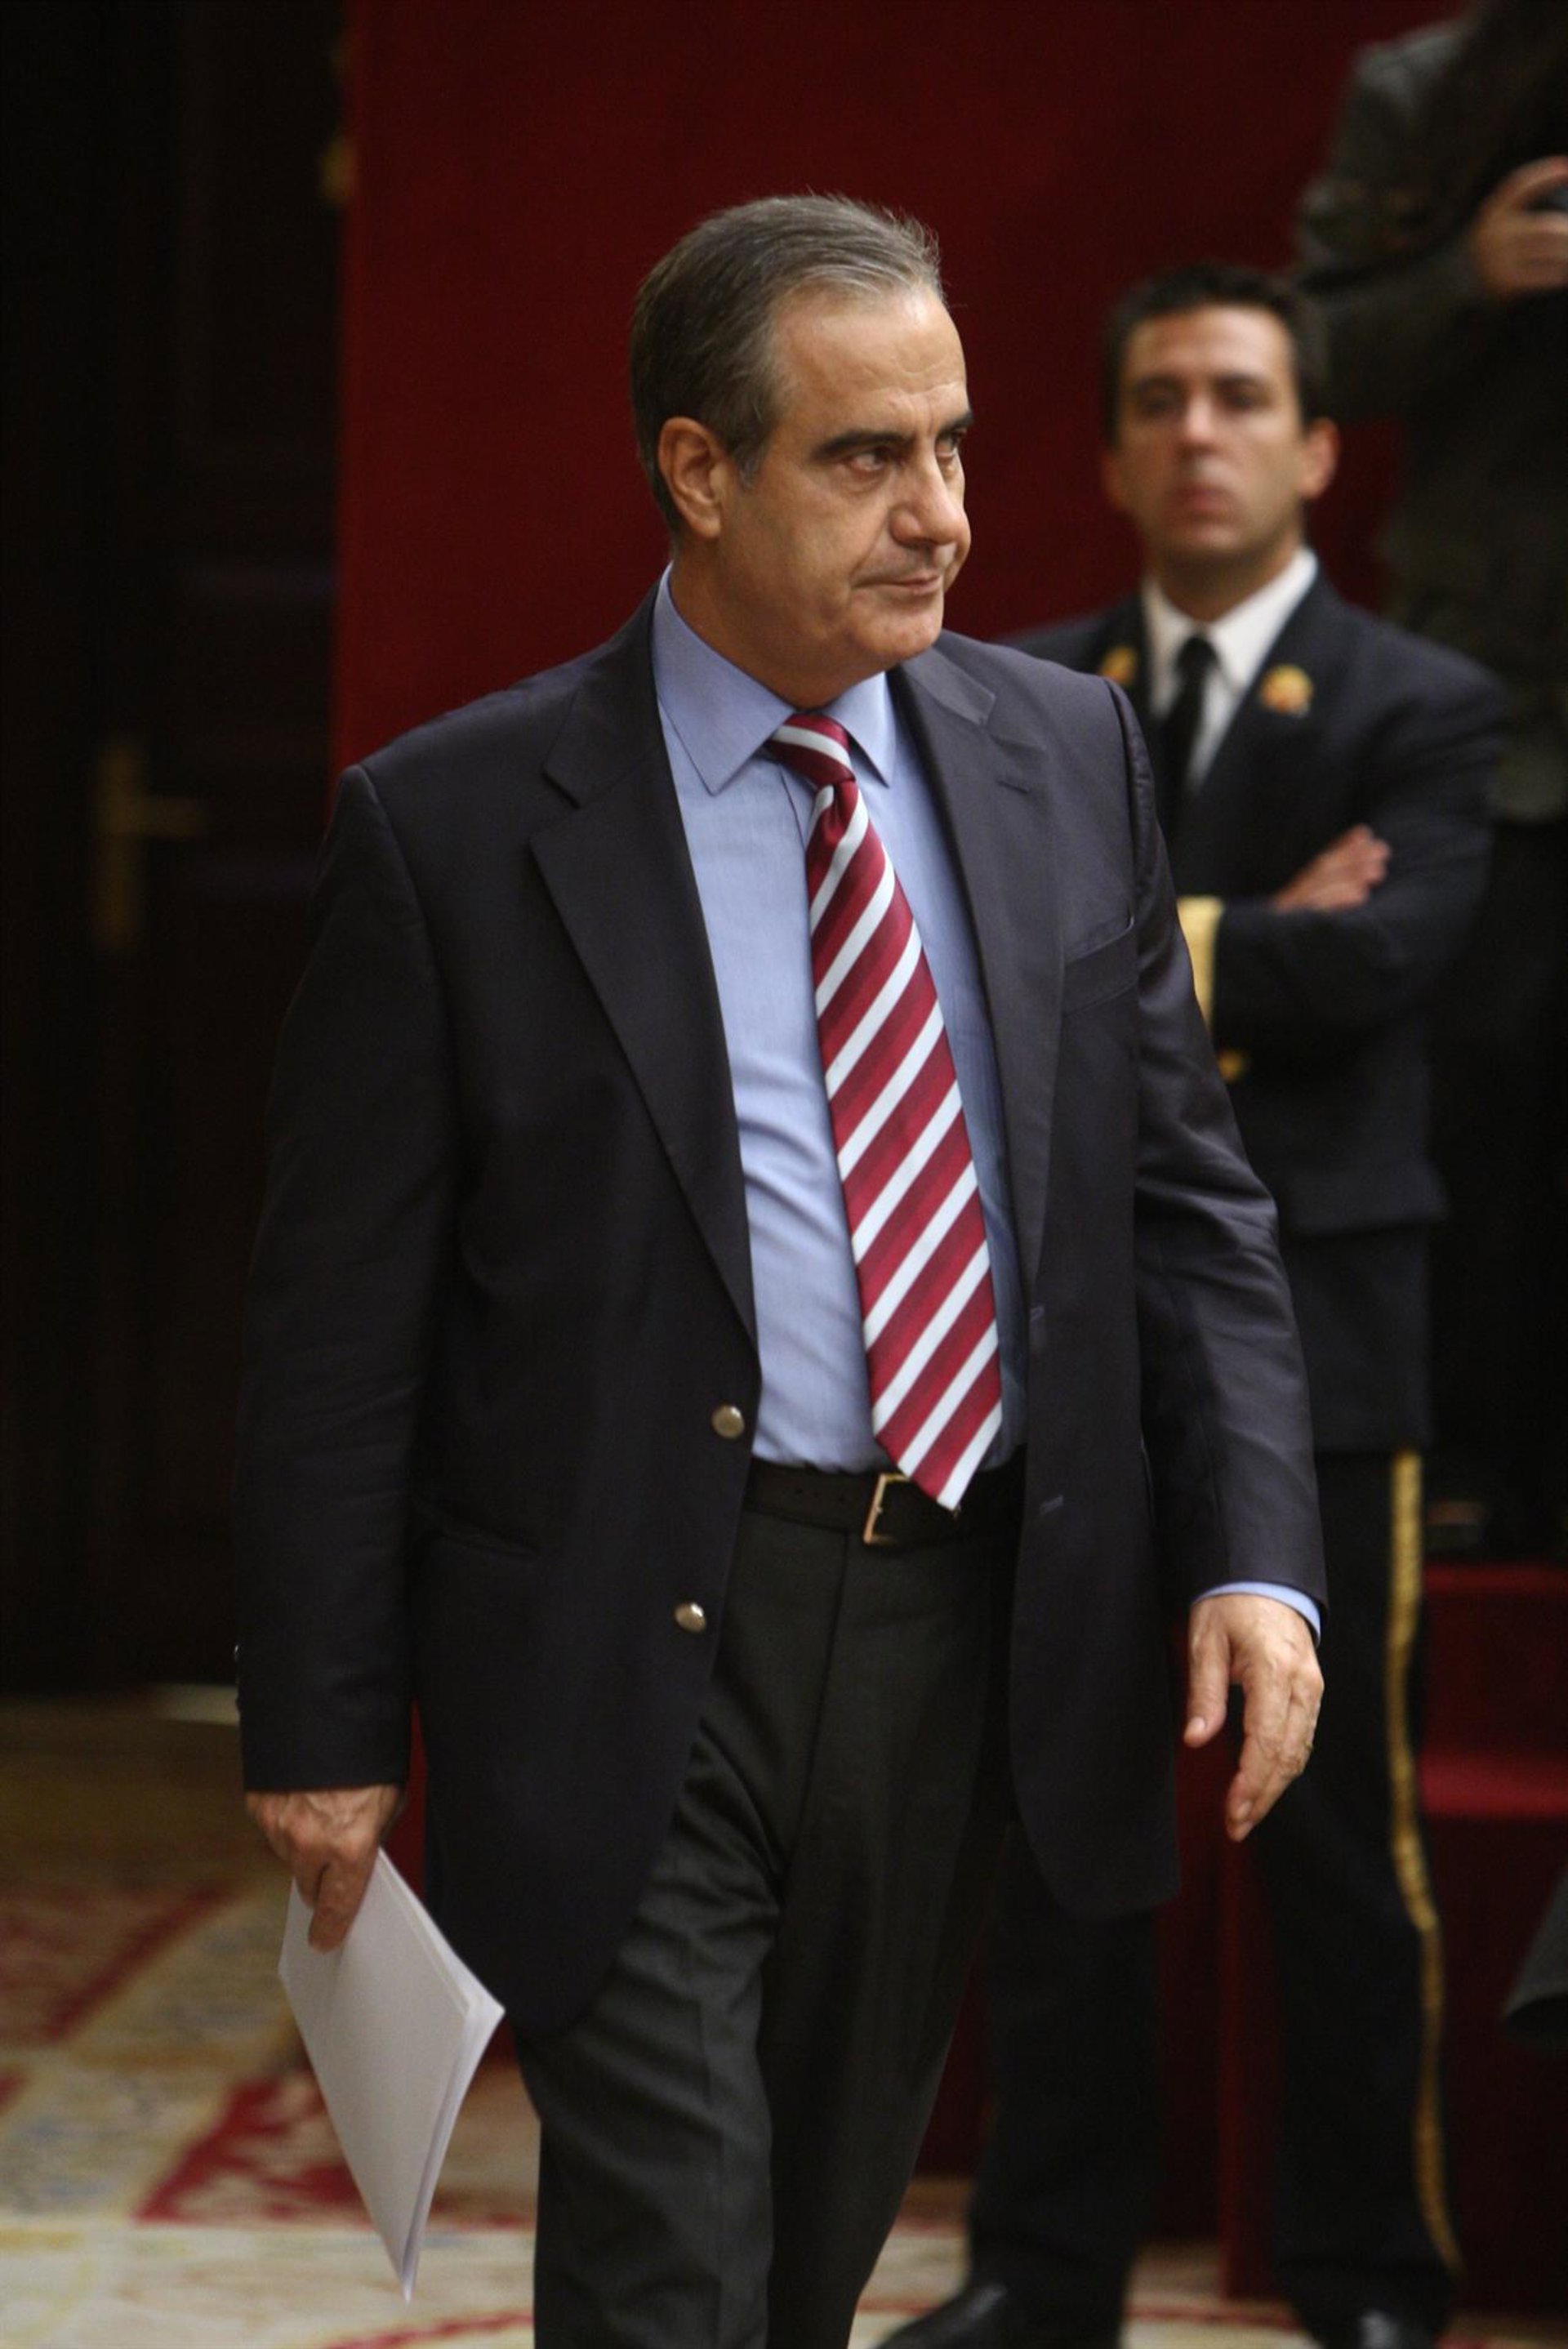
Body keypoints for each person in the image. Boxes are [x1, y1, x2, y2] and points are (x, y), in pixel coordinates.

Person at [234, 201, 1327, 2348]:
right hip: (626, 1623)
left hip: (959, 1622)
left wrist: (1253, 1551)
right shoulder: (455, 828)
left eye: (954, 445)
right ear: (700, 469)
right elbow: (338, 1322)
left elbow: (1185, 1203)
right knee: (673, 2266)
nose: (942, 515)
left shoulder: (1067, 757)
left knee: (804, 2260)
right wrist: (324, 1715)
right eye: (865, 457)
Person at [888, 265, 1501, 2349]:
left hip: (1324, 1337)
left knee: (1337, 1843)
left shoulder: (1424, 703)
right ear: (1108, 452)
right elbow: (964, 970)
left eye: (1242, 396)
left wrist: (1125, 947)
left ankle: (1369, 2272)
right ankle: (1040, 2270)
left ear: (1319, 446)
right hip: (1062, 1331)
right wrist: (1249, 939)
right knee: (1066, 1823)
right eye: (1159, 398)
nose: (1200, 432)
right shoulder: (1020, 693)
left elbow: (1386, 965)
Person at [1295, 1, 1568, 1559]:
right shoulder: (1428, 91)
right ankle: (1463, 1456)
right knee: (1476, 1087)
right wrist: (1472, 271)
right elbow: (1303, 350)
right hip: (1492, 683)